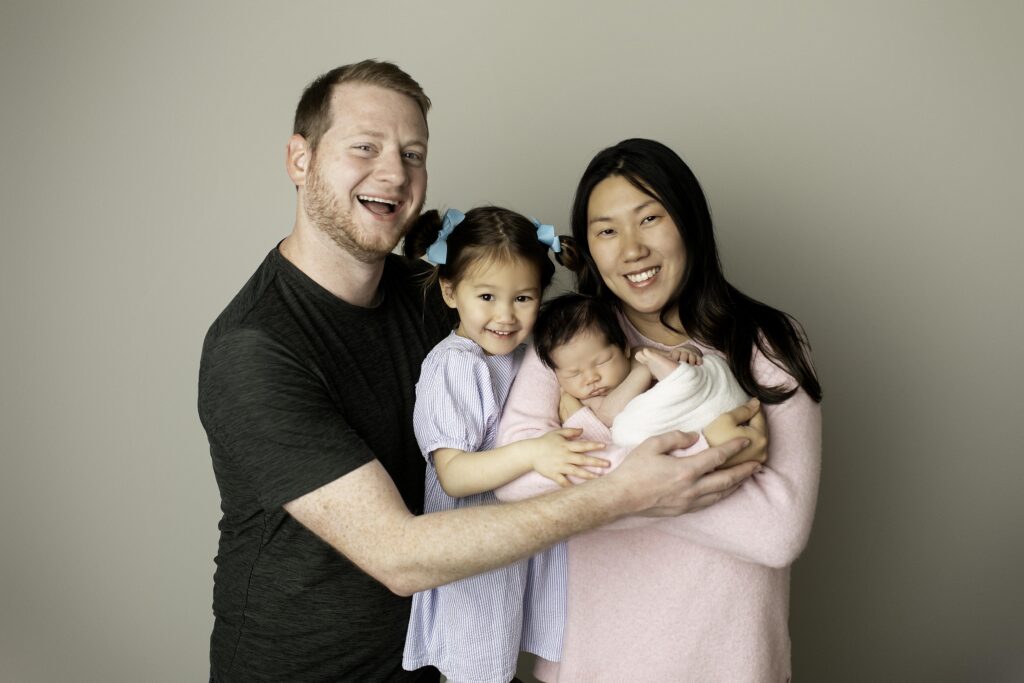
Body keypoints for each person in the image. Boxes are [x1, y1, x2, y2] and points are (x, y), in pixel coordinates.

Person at [197, 61, 764, 682]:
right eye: (365, 147)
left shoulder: (447, 297)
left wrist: (708, 405)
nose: (393, 173)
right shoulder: (255, 348)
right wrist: (624, 493)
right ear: (299, 160)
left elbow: (580, 357)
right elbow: (398, 554)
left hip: (452, 656)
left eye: (413, 154)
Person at [497, 138, 823, 682]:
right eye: (606, 230)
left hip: (731, 667)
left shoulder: (766, 344)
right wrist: (702, 456)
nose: (631, 250)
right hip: (589, 669)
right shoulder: (566, 342)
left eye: (650, 218)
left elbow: (777, 533)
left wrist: (596, 488)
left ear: (689, 221)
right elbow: (516, 479)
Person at [399, 207, 608, 683]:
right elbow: (454, 473)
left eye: (523, 298)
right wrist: (533, 453)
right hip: (473, 552)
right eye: (487, 296)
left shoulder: (527, 356)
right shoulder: (456, 365)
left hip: (518, 540)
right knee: (479, 670)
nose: (505, 315)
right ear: (450, 291)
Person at [532, 292, 751, 449]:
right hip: (654, 441)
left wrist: (687, 350)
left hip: (687, 412)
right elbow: (608, 416)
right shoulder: (582, 402)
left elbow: (673, 360)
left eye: (601, 362)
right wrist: (643, 372)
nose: (591, 378)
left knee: (705, 370)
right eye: (574, 374)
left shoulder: (639, 354)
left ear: (624, 347)